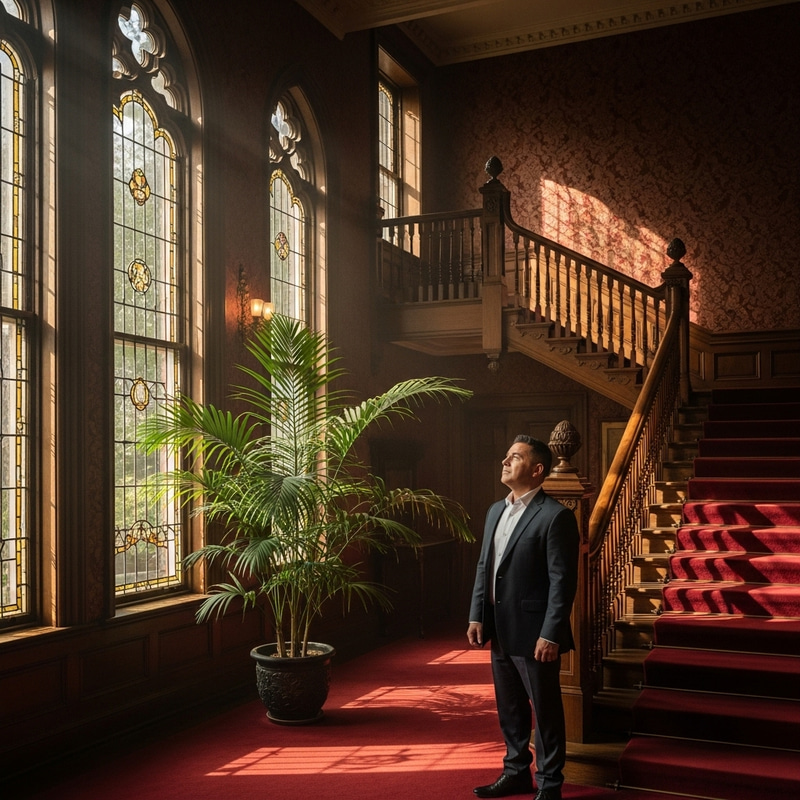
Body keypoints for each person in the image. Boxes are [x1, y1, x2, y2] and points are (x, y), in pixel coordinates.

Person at [468, 434, 580, 800]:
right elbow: (486, 567)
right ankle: (516, 772)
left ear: (536, 470)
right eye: (505, 455)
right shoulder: (494, 511)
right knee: (510, 708)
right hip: (499, 629)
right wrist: (476, 615)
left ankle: (550, 785)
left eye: (514, 457)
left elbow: (562, 583)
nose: (504, 461)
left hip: (535, 635)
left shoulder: (556, 516)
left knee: (545, 713)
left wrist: (551, 634)